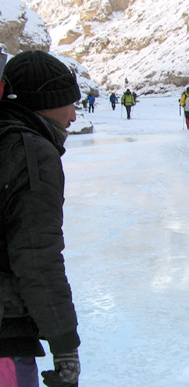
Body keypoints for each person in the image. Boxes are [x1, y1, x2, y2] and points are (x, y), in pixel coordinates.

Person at [0, 50, 82, 387]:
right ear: (43, 103)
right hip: (6, 337)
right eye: (68, 103)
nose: (74, 115)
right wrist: (65, 346)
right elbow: (36, 255)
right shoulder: (31, 152)